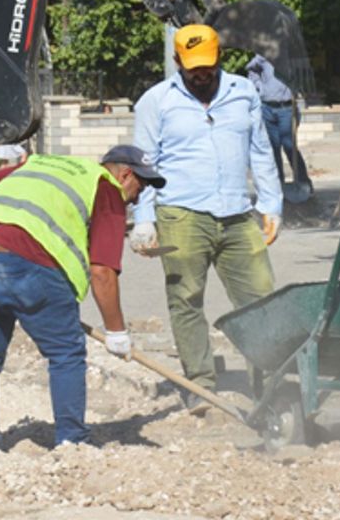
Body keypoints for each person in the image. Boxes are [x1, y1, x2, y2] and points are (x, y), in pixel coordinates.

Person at [0, 144, 166, 447]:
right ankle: (72, 442)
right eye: (140, 187)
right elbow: (102, 271)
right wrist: (117, 332)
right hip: (25, 266)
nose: (138, 197)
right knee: (65, 353)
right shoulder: (107, 189)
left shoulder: (47, 166)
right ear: (125, 174)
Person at [130, 24, 282, 410]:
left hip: (237, 214)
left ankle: (268, 384)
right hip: (181, 214)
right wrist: (143, 218)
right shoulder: (156, 101)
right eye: (193, 67)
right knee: (186, 299)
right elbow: (145, 163)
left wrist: (271, 203)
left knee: (261, 299)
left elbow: (260, 149)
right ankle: (199, 384)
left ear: (220, 59)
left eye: (208, 66)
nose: (202, 74)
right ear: (178, 61)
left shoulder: (242, 92)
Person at [245, 53, 305, 186]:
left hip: (287, 107)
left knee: (289, 146)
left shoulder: (290, 57)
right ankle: (279, 185)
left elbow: (301, 75)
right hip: (267, 107)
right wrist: (258, 86)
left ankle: (303, 182)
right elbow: (250, 68)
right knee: (274, 147)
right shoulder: (262, 57)